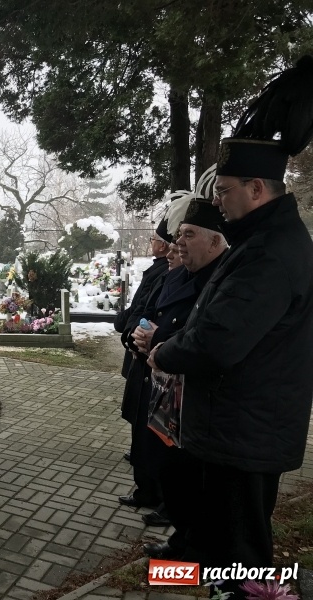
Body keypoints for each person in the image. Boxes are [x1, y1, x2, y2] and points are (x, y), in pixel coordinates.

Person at [148, 56, 313, 598]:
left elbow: (219, 339)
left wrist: (166, 352)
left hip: (248, 431)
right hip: (236, 427)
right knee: (222, 545)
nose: (218, 200)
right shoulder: (261, 242)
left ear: (257, 190)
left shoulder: (270, 254)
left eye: (225, 191)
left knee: (245, 557)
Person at [131, 189, 228, 558]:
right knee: (172, 475)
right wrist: (142, 335)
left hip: (197, 403)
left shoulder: (220, 278)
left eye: (188, 235)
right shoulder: (183, 275)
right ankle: (182, 542)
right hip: (166, 397)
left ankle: (192, 557)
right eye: (178, 235)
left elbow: (203, 338)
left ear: (216, 240)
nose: (178, 244)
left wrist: (161, 339)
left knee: (191, 483)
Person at [115, 215, 172, 511]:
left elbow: (148, 308)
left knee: (147, 426)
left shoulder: (164, 272)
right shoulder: (161, 270)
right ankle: (146, 483)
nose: (151, 242)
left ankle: (150, 490)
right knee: (139, 423)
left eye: (154, 238)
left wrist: (130, 325)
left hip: (150, 358)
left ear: (163, 244)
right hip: (140, 350)